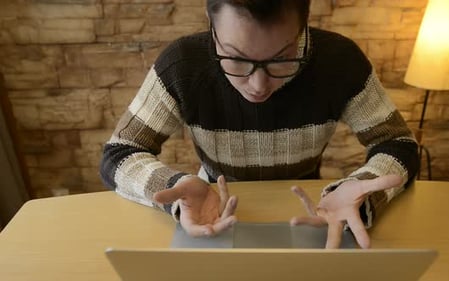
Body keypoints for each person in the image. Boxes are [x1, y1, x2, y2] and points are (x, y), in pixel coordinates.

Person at [100, 0, 418, 249]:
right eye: (235, 58)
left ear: (303, 24)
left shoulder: (340, 61)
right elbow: (120, 152)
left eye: (282, 58)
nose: (258, 85)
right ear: (212, 26)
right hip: (212, 212)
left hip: (314, 215)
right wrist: (171, 189)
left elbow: (398, 144)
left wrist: (361, 188)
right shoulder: (182, 64)